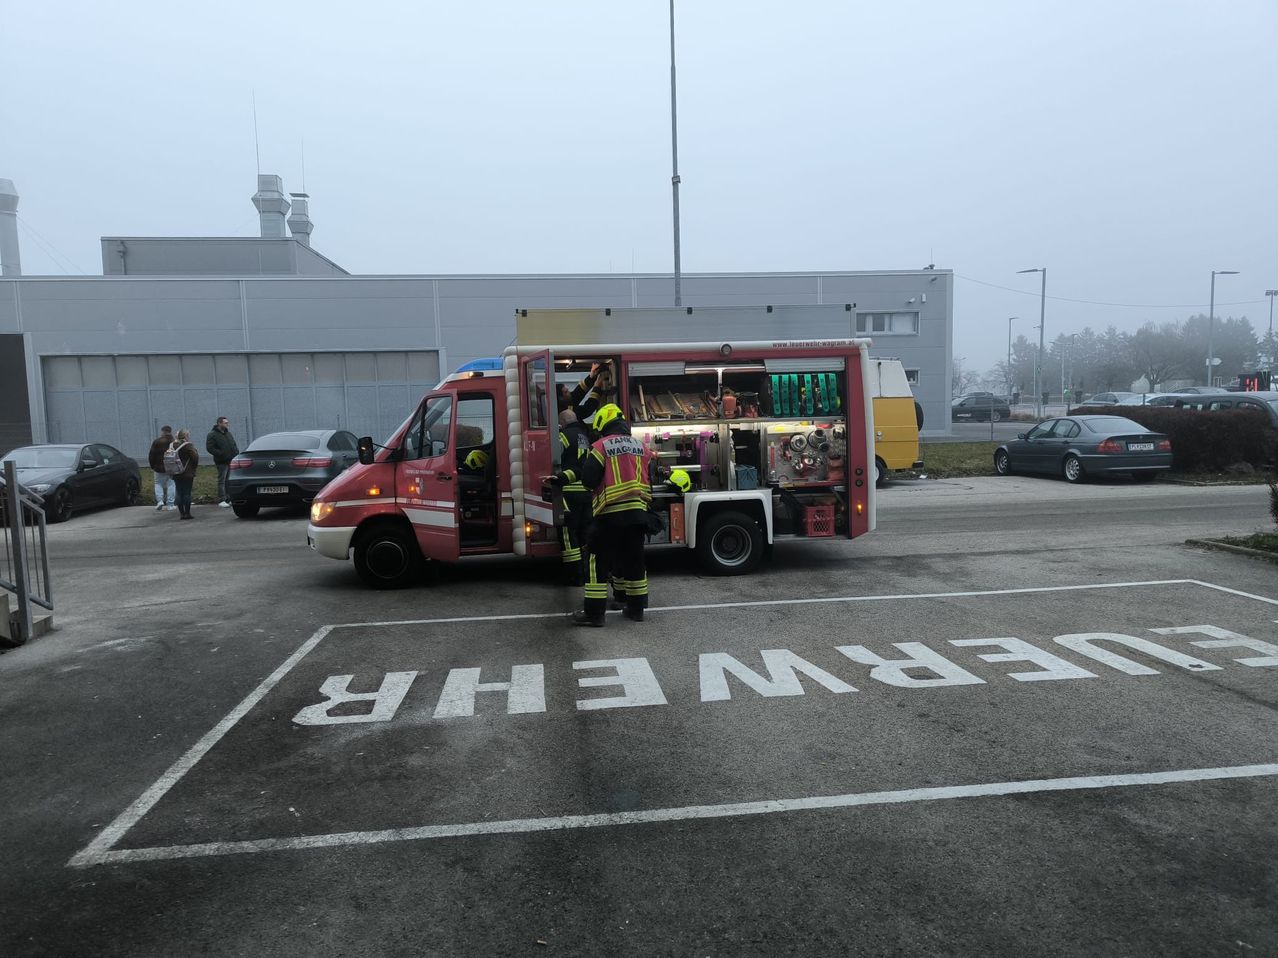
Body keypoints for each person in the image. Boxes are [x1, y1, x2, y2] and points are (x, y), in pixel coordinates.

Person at [553, 403, 653, 626]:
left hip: (610, 514)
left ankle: (595, 613)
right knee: (634, 560)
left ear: (602, 423)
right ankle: (636, 609)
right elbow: (649, 478)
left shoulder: (600, 447)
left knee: (596, 560)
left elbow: (588, 480)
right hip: (638, 514)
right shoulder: (641, 446)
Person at [556, 407, 593, 586]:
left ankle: (575, 576)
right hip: (585, 492)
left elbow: (554, 456)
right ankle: (587, 573)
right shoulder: (583, 436)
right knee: (584, 534)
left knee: (568, 535)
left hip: (569, 493)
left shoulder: (563, 436)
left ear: (562, 422)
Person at [205, 416, 239, 507]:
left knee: (228, 480)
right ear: (219, 423)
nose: (227, 424)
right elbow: (210, 448)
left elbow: (233, 444)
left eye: (227, 422)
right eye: (225, 423)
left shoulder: (228, 433)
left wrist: (236, 452)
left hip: (231, 460)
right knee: (222, 480)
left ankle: (228, 498)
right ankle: (221, 499)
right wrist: (221, 453)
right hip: (221, 461)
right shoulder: (212, 434)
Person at [171, 429, 200, 520]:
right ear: (186, 436)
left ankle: (181, 514)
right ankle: (187, 513)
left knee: (179, 492)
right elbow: (195, 457)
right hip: (187, 472)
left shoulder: (172, 445)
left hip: (176, 471)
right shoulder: (188, 445)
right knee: (187, 492)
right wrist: (193, 467)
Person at [147, 424, 177, 511]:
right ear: (170, 431)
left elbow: (151, 455)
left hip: (159, 467)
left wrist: (153, 466)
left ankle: (160, 501)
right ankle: (170, 504)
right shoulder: (175, 442)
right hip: (171, 467)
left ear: (163, 432)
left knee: (158, 484)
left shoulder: (157, 442)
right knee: (171, 484)